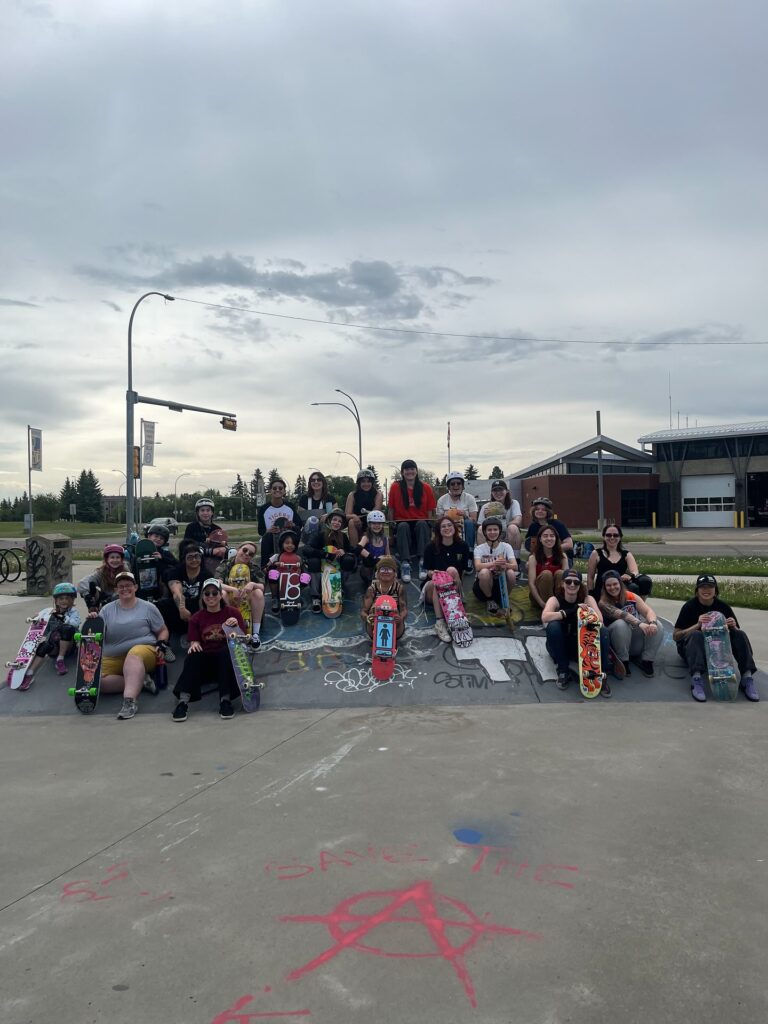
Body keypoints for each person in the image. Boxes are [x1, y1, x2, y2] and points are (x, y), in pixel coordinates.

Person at [93, 571, 169, 720]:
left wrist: (162, 643)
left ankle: (130, 701)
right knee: (94, 681)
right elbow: (98, 633)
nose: (124, 589)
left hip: (143, 651)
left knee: (133, 655)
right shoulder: (106, 610)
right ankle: (142, 680)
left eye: (128, 585)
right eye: (120, 586)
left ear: (136, 587)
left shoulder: (148, 607)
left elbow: (163, 630)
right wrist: (93, 621)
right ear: (115, 590)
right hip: (114, 655)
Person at [673, 574, 760, 703]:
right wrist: (697, 626)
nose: (706, 590)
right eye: (702, 587)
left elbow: (736, 635)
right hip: (693, 650)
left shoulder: (723, 607)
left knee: (740, 634)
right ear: (697, 591)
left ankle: (746, 678)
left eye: (710, 587)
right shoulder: (689, 607)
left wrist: (734, 626)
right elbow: (676, 636)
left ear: (716, 591)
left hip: (718, 650)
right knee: (696, 634)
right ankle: (696, 679)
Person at [171, 578, 248, 722]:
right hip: (206, 665)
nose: (211, 596)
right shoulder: (196, 618)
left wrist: (234, 628)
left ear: (220, 595)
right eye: (207, 594)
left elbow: (242, 642)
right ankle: (183, 702)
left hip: (227, 664)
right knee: (193, 654)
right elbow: (194, 641)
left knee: (225, 651)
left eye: (214, 593)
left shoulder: (233, 613)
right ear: (203, 597)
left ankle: (225, 701)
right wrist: (193, 644)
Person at [541, 569, 612, 696]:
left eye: (576, 582)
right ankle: (563, 671)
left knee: (603, 629)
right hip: (559, 646)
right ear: (563, 583)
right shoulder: (555, 599)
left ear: (580, 585)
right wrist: (569, 612)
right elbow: (545, 617)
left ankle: (602, 673)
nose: (572, 585)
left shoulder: (587, 599)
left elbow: (600, 620)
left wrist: (588, 614)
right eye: (568, 582)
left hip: (580, 647)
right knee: (553, 626)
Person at [597, 570, 663, 678]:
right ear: (604, 587)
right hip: (617, 642)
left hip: (633, 640)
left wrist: (652, 623)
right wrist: (640, 623)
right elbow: (623, 615)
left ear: (620, 583)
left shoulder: (631, 596)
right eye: (608, 585)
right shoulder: (603, 603)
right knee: (621, 624)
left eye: (615, 584)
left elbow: (648, 611)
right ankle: (623, 661)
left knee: (658, 625)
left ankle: (647, 661)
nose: (612, 587)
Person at [421, 516, 472, 642]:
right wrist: (434, 574)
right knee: (437, 581)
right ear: (438, 530)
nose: (447, 528)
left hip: (453, 587)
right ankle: (440, 622)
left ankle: (457, 611)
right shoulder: (431, 547)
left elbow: (463, 572)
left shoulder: (463, 546)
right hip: (432, 587)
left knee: (452, 570)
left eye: (449, 525)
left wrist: (460, 592)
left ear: (454, 527)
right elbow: (426, 572)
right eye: (443, 526)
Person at [21, 583, 82, 684]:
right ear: (56, 601)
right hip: (54, 649)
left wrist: (62, 617)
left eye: (68, 598)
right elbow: (45, 632)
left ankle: (60, 660)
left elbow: (75, 624)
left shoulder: (73, 612)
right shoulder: (50, 613)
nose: (64, 601)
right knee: (43, 646)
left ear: (72, 600)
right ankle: (29, 673)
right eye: (61, 599)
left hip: (69, 648)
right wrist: (39, 621)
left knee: (66, 628)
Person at [387, 459, 436, 583]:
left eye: (412, 469)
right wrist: (391, 534)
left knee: (422, 523)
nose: (409, 471)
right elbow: (391, 510)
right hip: (402, 523)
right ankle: (405, 563)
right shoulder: (395, 487)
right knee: (403, 525)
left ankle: (423, 561)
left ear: (416, 471)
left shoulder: (426, 488)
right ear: (402, 472)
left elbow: (430, 512)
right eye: (406, 469)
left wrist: (431, 530)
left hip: (421, 523)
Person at [303, 508, 357, 613]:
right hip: (322, 565)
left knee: (349, 560)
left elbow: (351, 550)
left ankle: (340, 586)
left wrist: (344, 551)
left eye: (340, 521)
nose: (337, 523)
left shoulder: (343, 536)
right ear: (329, 520)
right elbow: (306, 549)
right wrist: (325, 554)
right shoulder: (319, 534)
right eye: (335, 520)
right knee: (313, 561)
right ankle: (315, 596)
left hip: (335, 567)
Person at [156, 541, 206, 649]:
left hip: (197, 606)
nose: (194, 560)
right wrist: (182, 609)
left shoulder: (206, 574)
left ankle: (196, 634)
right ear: (184, 559)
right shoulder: (176, 571)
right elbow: (176, 591)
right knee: (162, 605)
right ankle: (164, 643)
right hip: (178, 607)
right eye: (190, 557)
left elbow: (203, 598)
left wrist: (201, 617)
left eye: (197, 556)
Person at [215, 541, 266, 640]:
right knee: (221, 593)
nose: (246, 554)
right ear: (238, 550)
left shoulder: (253, 568)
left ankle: (256, 633)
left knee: (258, 592)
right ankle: (229, 628)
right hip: (230, 599)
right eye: (245, 550)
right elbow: (217, 583)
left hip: (246, 600)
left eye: (250, 554)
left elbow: (262, 586)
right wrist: (233, 589)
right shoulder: (226, 565)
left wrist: (252, 584)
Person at [587, 525, 652, 599]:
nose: (612, 537)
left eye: (615, 535)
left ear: (620, 537)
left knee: (644, 581)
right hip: (602, 591)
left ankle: (639, 607)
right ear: (604, 537)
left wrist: (629, 574)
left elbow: (635, 571)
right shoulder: (596, 553)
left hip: (620, 590)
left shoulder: (626, 554)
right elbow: (590, 577)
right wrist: (590, 595)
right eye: (608, 535)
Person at [472, 517, 517, 615]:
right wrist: (494, 563)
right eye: (489, 530)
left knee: (511, 573)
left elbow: (515, 566)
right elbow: (478, 566)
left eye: (495, 529)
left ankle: (504, 598)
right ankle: (490, 600)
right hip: (483, 587)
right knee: (484, 572)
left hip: (501, 584)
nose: (492, 532)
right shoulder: (479, 548)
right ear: (485, 532)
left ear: (500, 531)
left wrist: (505, 565)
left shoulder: (506, 546)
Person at [360, 556, 408, 644]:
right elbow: (363, 612)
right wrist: (368, 618)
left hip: (395, 626)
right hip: (374, 626)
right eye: (383, 569)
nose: (386, 572)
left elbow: (404, 610)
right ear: (377, 573)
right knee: (373, 608)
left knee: (395, 610)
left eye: (389, 569)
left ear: (395, 573)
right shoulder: (372, 589)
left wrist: (400, 618)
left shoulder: (399, 588)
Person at [266, 528, 311, 617]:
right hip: (280, 582)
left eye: (292, 543)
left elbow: (303, 569)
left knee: (306, 576)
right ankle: (275, 598)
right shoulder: (277, 556)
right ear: (281, 544)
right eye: (287, 543)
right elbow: (266, 568)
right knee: (272, 573)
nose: (290, 545)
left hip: (294, 582)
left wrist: (303, 569)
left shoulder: (298, 558)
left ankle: (296, 594)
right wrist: (275, 564)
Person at [257, 479, 302, 568]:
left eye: (280, 488)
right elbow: (260, 530)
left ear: (284, 491)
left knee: (294, 533)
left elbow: (299, 524)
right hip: (270, 538)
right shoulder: (264, 509)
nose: (277, 490)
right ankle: (265, 568)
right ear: (270, 491)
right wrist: (268, 530)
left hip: (286, 537)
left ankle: (295, 565)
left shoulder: (290, 506)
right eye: (274, 488)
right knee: (267, 537)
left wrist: (292, 525)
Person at [436, 473, 478, 565]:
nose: (456, 486)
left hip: (465, 526)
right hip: (449, 525)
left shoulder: (469, 498)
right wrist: (446, 517)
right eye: (452, 484)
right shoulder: (442, 500)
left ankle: (469, 555)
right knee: (442, 526)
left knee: (469, 523)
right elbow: (439, 521)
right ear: (448, 486)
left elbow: (474, 519)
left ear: (463, 486)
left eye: (458, 483)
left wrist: (465, 514)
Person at [527, 525, 569, 616]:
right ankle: (549, 609)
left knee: (561, 573)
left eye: (552, 536)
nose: (549, 538)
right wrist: (541, 603)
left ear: (556, 538)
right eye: (545, 536)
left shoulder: (563, 556)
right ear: (540, 539)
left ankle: (558, 604)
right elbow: (531, 584)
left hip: (557, 595)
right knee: (546, 574)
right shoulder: (533, 558)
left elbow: (567, 580)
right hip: (539, 597)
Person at [133, 523, 178, 601]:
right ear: (149, 536)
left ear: (164, 541)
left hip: (159, 587)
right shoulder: (139, 552)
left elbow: (176, 565)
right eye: (156, 536)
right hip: (141, 586)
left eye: (162, 538)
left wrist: (162, 559)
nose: (159, 539)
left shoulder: (166, 553)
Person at [77, 543, 130, 609]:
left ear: (121, 559)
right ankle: (94, 610)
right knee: (89, 588)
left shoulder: (125, 571)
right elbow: (82, 583)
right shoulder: (102, 572)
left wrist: (111, 599)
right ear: (107, 559)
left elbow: (127, 588)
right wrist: (88, 595)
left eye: (118, 557)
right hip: (104, 600)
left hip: (122, 600)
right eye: (112, 557)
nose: (115, 560)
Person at [477, 479, 522, 554]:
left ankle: (515, 558)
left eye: (501, 490)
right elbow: (480, 524)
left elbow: (518, 520)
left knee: (513, 527)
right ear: (492, 493)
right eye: (495, 491)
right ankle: (484, 557)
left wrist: (503, 526)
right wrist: (487, 518)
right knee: (481, 529)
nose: (498, 493)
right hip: (492, 533)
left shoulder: (513, 503)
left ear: (507, 491)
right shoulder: (486, 506)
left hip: (508, 534)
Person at [183, 498, 229, 569]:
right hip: (195, 560)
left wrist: (223, 545)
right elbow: (186, 545)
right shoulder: (191, 527)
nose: (205, 513)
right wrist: (207, 549)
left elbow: (222, 549)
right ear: (198, 512)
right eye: (202, 510)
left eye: (208, 510)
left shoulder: (217, 529)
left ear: (212, 512)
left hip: (213, 562)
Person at [345, 469, 384, 546]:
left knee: (374, 523)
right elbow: (346, 515)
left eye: (368, 481)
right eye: (363, 481)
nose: (366, 484)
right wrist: (354, 516)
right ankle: (355, 550)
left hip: (372, 521)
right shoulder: (352, 495)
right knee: (351, 522)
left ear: (372, 482)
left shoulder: (378, 494)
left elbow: (375, 513)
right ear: (359, 483)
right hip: (357, 522)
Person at [356, 509, 391, 584]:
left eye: (379, 523)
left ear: (382, 525)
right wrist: (372, 558)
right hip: (368, 568)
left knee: (392, 563)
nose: (377, 526)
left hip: (380, 567)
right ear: (369, 525)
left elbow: (388, 555)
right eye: (374, 523)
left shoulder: (385, 538)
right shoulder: (366, 537)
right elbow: (358, 548)